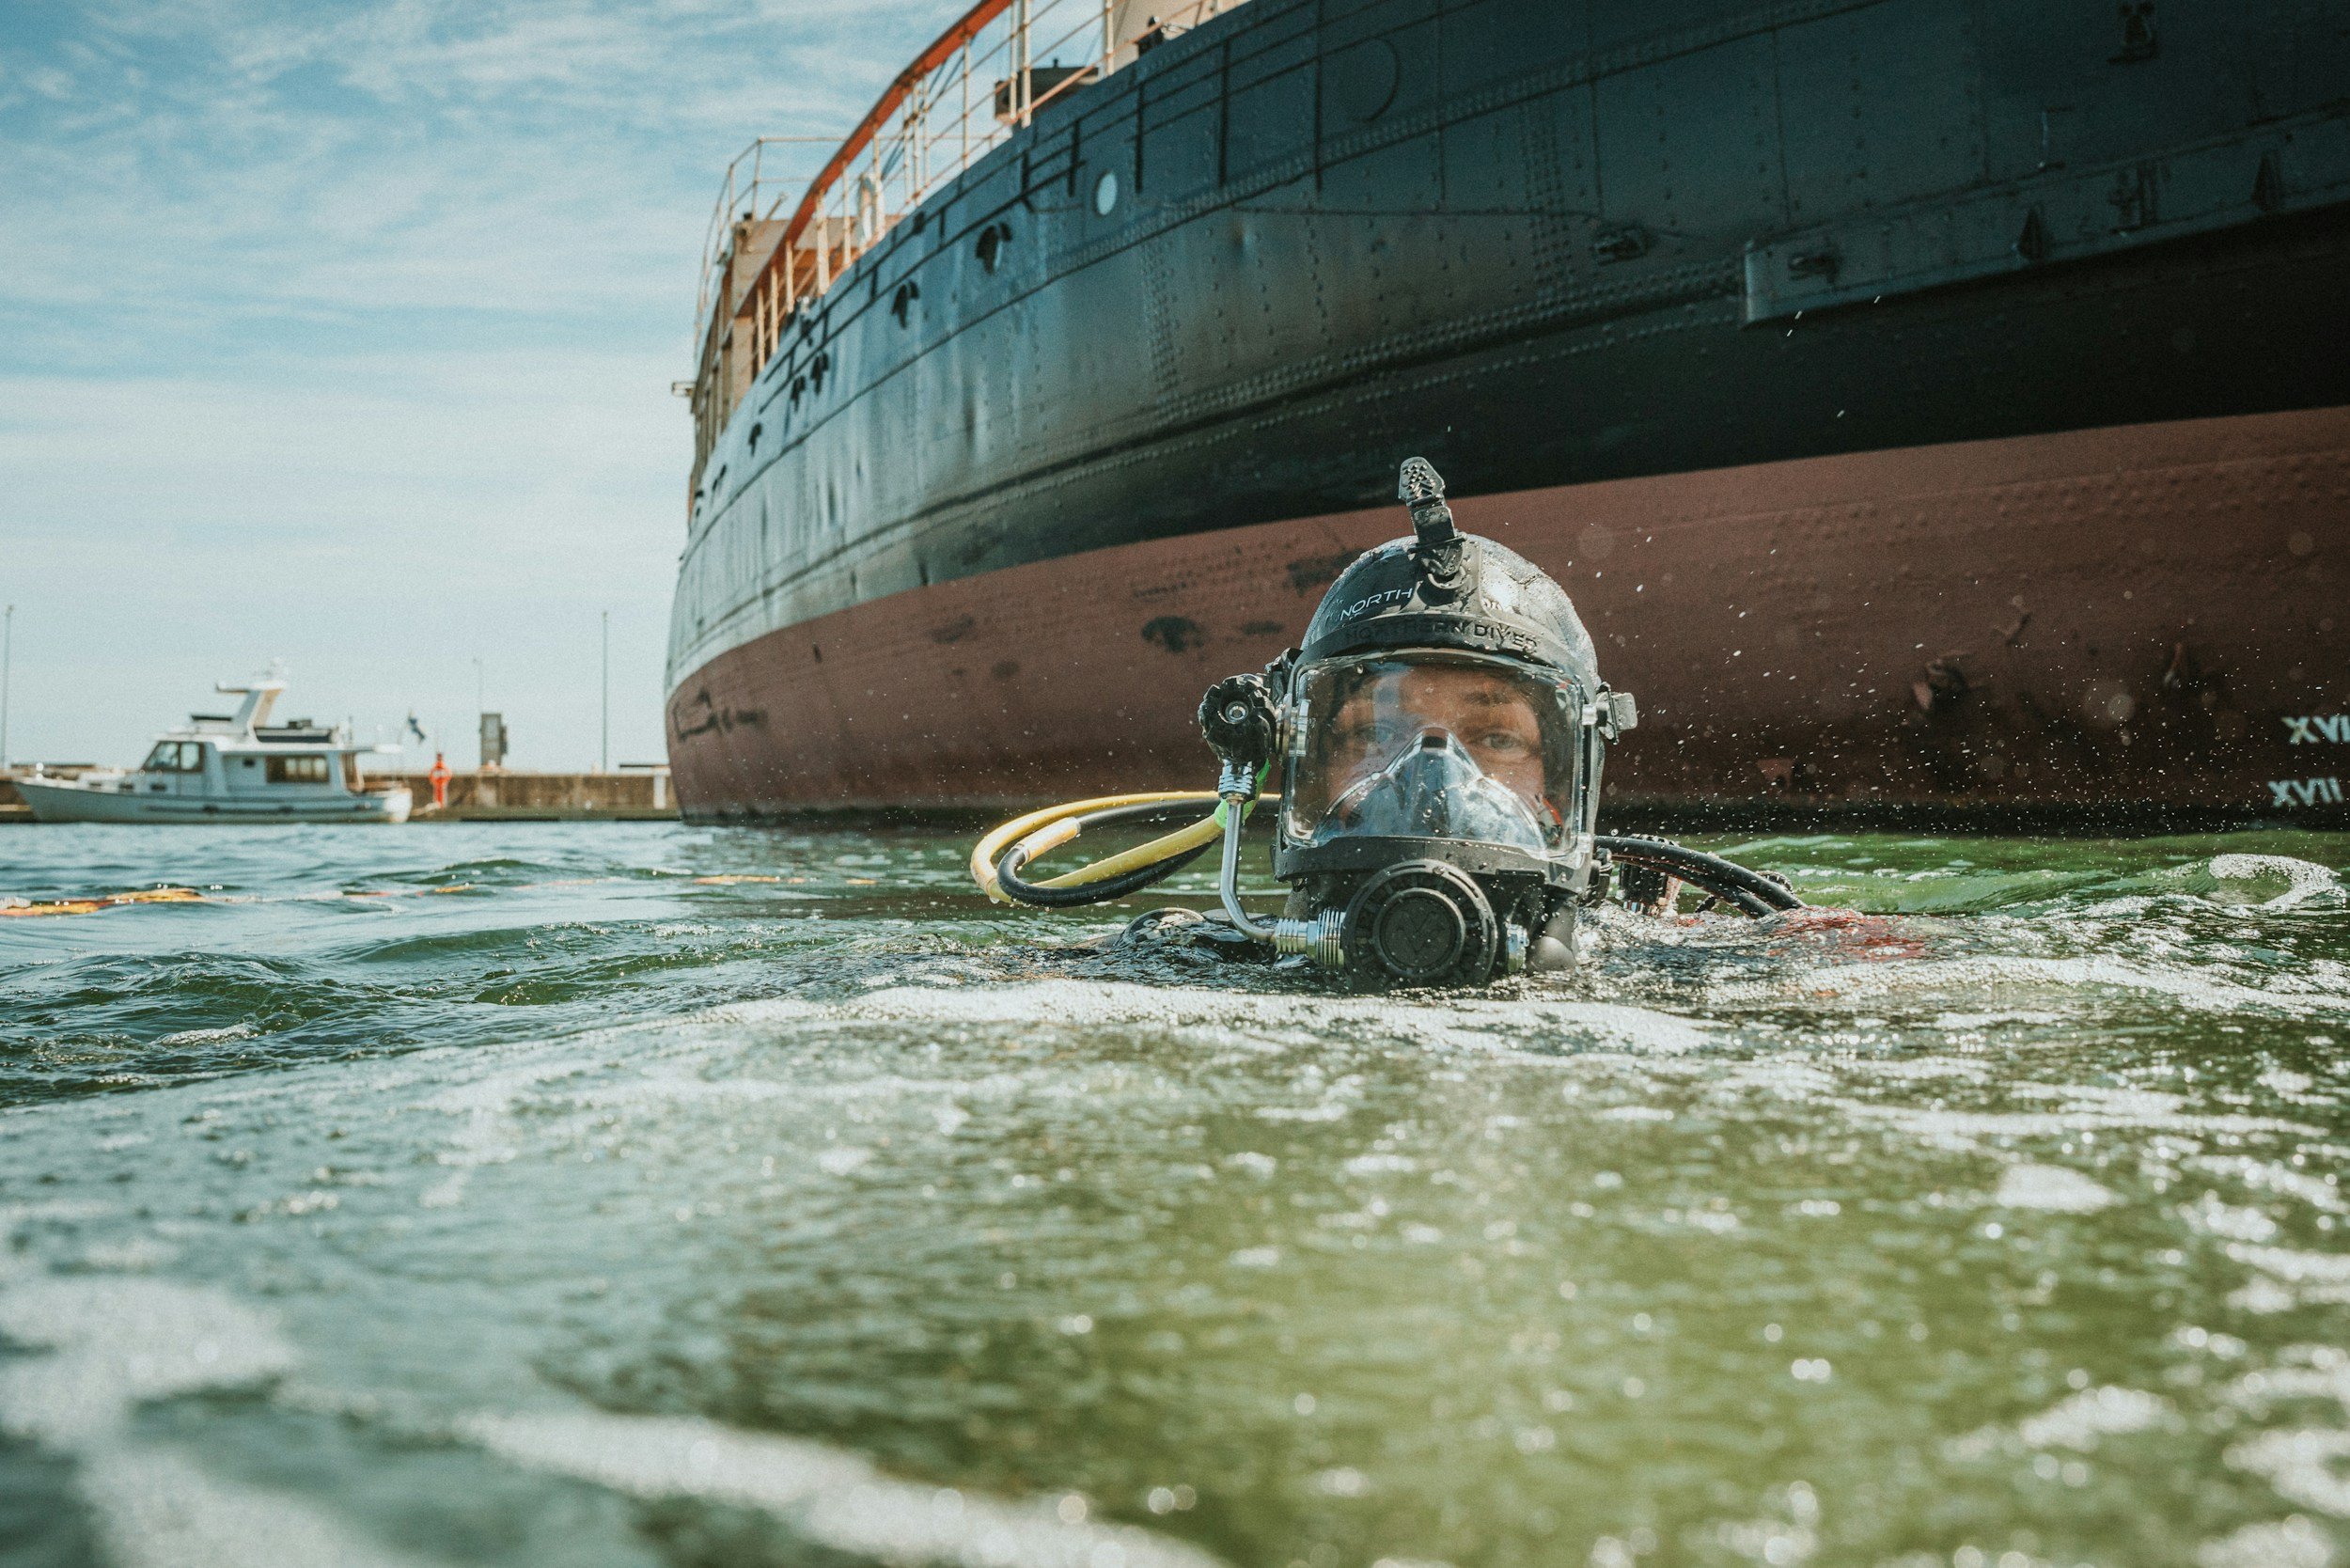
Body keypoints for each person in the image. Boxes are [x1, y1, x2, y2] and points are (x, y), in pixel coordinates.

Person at [978, 457, 1801, 983]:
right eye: (1375, 733)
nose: (1432, 776)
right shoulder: (1185, 960)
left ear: (1566, 786)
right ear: (1291, 759)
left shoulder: (1673, 960)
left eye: (1496, 737)